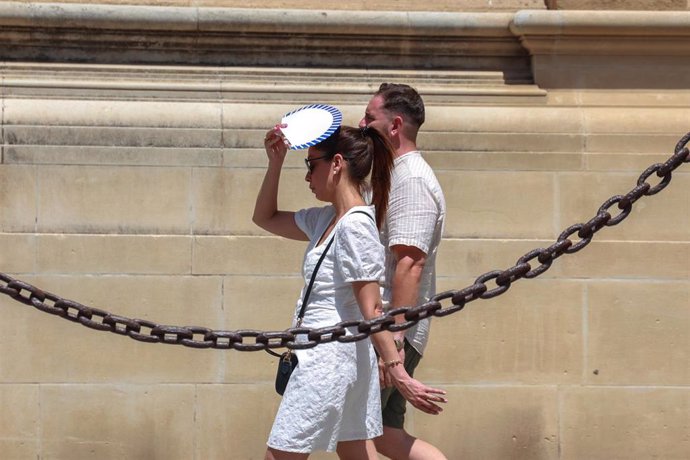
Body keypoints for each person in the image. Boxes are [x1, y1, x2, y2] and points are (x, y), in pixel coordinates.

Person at [253, 122, 447, 460]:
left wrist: (398, 370)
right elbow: (264, 217)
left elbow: (371, 310)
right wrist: (276, 162)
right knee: (355, 452)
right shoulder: (325, 219)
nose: (307, 176)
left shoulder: (355, 225)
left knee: (281, 455)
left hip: (326, 361)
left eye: (311, 165)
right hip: (338, 358)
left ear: (337, 163)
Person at [359, 83, 448, 460]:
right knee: (386, 436)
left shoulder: (410, 180)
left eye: (369, 118)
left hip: (391, 333)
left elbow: (410, 264)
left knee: (358, 431)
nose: (360, 124)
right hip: (387, 330)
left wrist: (391, 344)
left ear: (394, 126)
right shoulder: (394, 175)